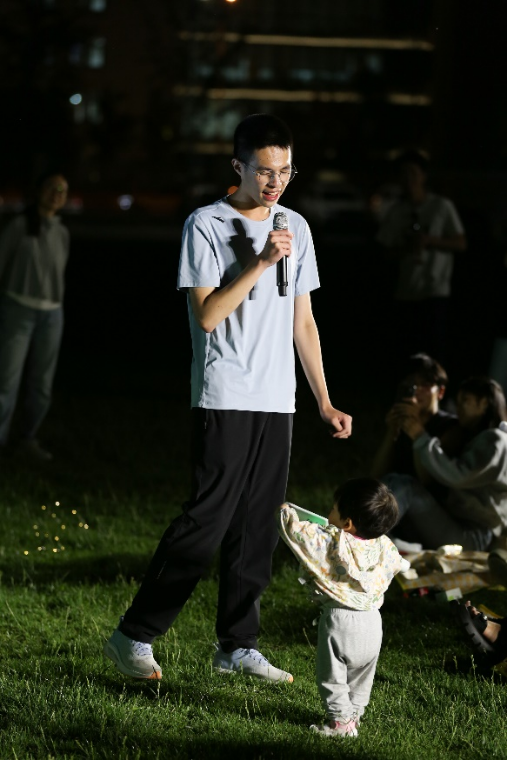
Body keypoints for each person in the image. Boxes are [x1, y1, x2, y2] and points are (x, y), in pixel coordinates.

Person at [103, 114, 352, 683]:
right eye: (264, 171)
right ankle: (133, 635)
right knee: (206, 521)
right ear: (238, 166)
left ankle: (237, 646)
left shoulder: (296, 226)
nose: (276, 182)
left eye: (286, 171)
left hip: (278, 398)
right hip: (225, 392)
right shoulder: (206, 224)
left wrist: (323, 400)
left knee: (258, 525)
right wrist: (260, 261)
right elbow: (208, 315)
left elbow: (303, 321)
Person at [277, 478, 409, 738]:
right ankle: (354, 716)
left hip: (341, 622)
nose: (328, 514)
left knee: (333, 678)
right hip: (373, 623)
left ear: (347, 523)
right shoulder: (384, 544)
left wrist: (285, 512)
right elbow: (400, 563)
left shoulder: (333, 542)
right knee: (361, 678)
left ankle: (340, 723)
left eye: (333, 509)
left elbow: (297, 534)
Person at [384, 376, 507, 551]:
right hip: (454, 524)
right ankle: (383, 543)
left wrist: (420, 436)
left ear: (484, 403)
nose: (459, 408)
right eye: (458, 402)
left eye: (465, 401)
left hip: (472, 535)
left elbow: (458, 475)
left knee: (405, 487)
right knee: (393, 487)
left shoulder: (497, 440)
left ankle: (363, 537)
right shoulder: (478, 439)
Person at [0, 171, 69, 461]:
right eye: (52, 187)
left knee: (41, 385)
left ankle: (28, 438)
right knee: (6, 381)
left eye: (62, 190)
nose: (56, 194)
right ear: (39, 190)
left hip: (52, 315)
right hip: (18, 309)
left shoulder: (62, 232)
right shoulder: (19, 225)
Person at [376, 149, 467, 363]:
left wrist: (430, 241)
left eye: (414, 173)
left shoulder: (441, 206)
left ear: (423, 176)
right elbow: (384, 250)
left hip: (436, 289)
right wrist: (406, 248)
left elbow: (461, 242)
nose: (409, 179)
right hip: (406, 290)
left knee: (435, 349)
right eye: (404, 173)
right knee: (408, 351)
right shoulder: (397, 212)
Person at [371, 353, 460, 493]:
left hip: (429, 500)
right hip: (396, 493)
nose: (417, 390)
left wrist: (417, 432)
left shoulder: (451, 426)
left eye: (425, 385)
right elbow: (375, 476)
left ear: (440, 392)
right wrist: (391, 432)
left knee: (402, 485)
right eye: (412, 385)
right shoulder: (404, 420)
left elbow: (428, 481)